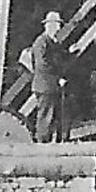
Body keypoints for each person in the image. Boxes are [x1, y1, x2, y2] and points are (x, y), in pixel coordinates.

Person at [21, 11, 70, 142]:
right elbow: (43, 64)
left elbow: (57, 58)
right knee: (45, 117)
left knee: (51, 117)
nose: (58, 28)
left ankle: (48, 143)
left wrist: (69, 52)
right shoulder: (41, 42)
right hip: (45, 86)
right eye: (56, 25)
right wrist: (58, 78)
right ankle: (42, 145)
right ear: (49, 26)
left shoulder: (52, 42)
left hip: (50, 86)